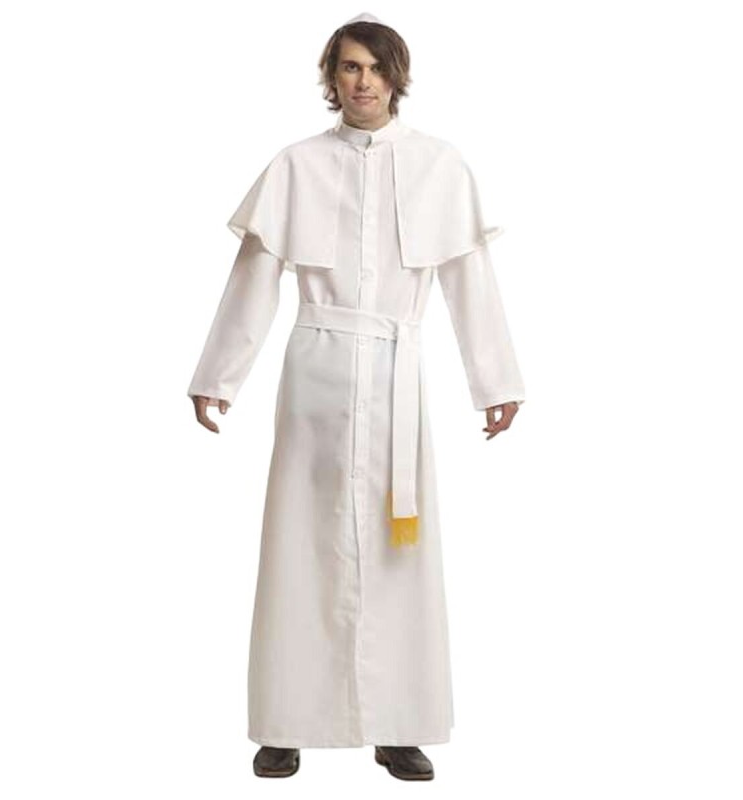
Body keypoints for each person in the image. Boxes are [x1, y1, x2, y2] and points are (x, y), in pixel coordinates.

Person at [187, 12, 525, 781]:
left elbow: (469, 282)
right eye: (348, 67)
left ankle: (398, 725)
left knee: (401, 552)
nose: (362, 81)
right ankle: (285, 723)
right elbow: (253, 281)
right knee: (299, 545)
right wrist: (218, 376)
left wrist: (496, 382)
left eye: (374, 67)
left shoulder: (440, 166)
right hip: (317, 369)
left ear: (395, 76)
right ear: (331, 78)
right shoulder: (296, 166)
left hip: (399, 373)